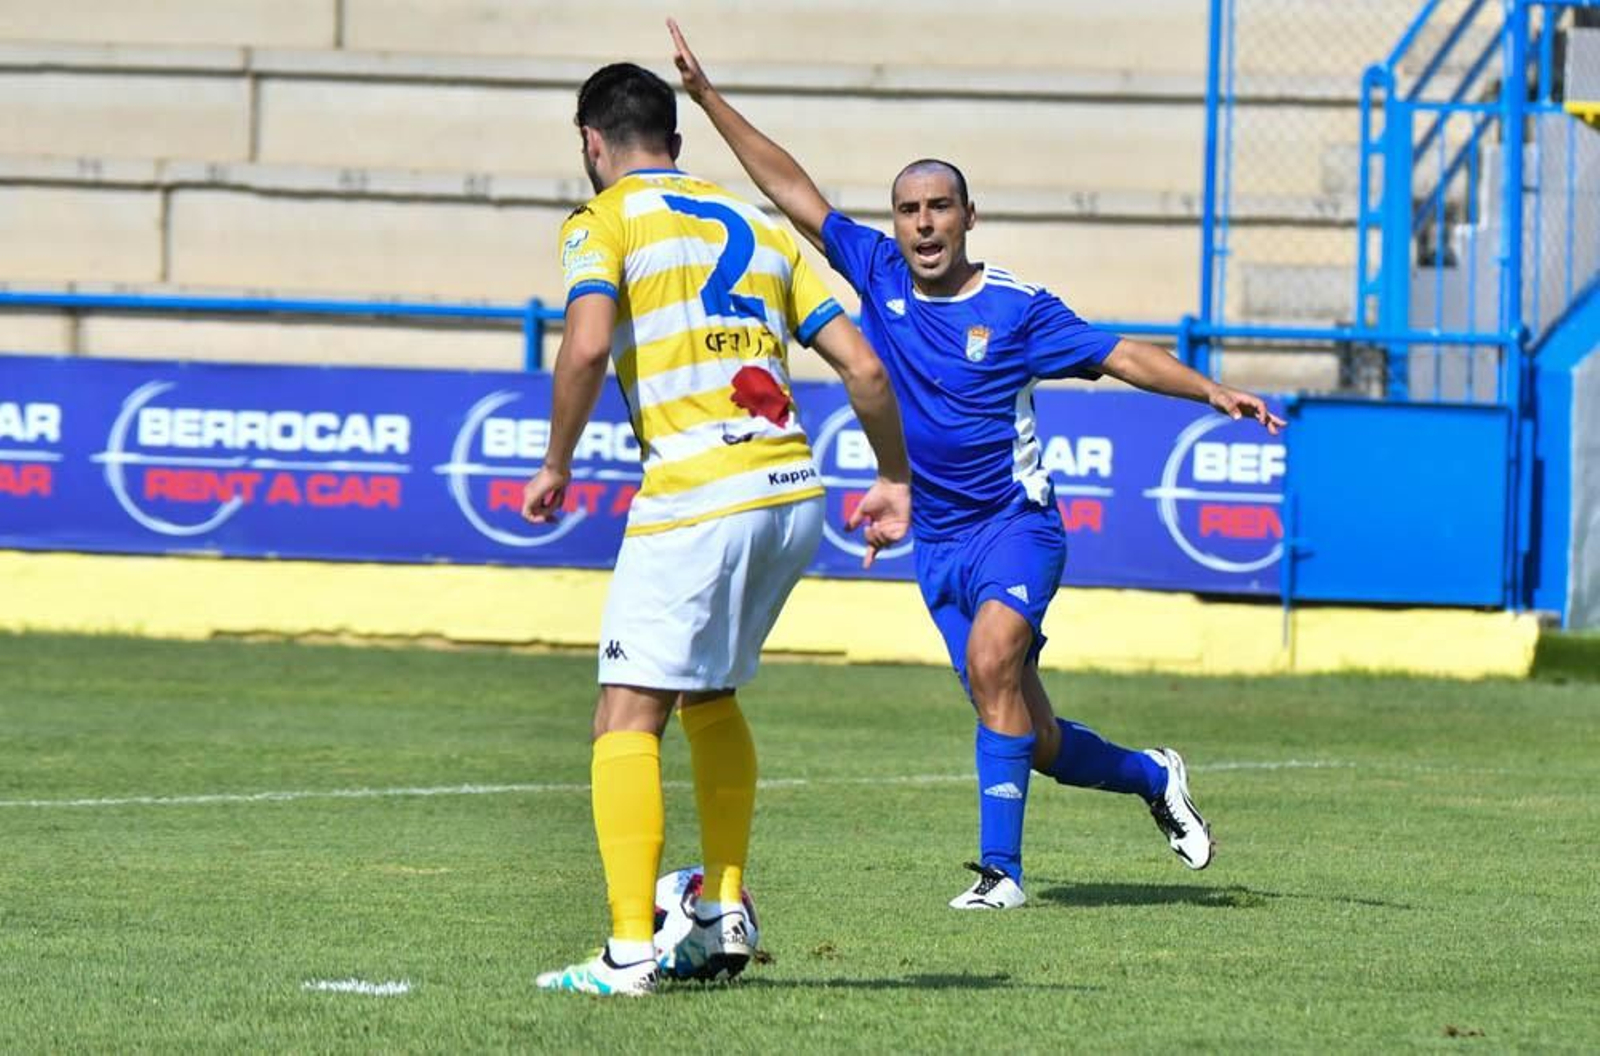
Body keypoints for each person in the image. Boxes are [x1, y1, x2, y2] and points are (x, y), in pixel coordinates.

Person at [669, 20, 1286, 910]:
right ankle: (1154, 777)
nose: (923, 224)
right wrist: (708, 98)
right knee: (1029, 734)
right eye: (910, 210)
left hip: (1016, 529)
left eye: (939, 208)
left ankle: (1002, 875)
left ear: (968, 217)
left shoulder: (1018, 308)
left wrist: (1211, 391)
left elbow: (1119, 355)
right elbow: (790, 190)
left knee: (998, 661)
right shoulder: (874, 271)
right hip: (939, 546)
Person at [522, 61, 912, 994]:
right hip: (790, 490)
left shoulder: (600, 221)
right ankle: (719, 910)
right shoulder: (757, 226)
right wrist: (893, 476)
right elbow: (863, 368)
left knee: (625, 710)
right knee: (712, 697)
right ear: (677, 142)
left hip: (697, 493)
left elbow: (583, 343)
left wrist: (557, 460)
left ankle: (625, 953)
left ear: (591, 142)